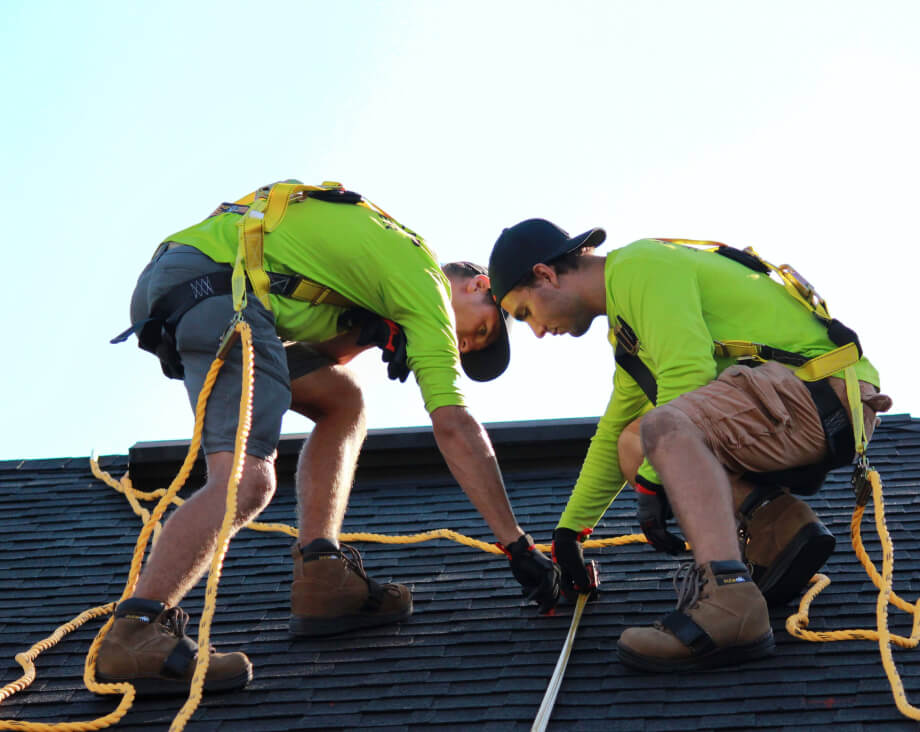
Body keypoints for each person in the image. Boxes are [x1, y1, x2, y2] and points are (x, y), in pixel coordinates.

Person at [99, 181, 559, 696]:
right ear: (477, 286)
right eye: (482, 331)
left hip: (204, 279)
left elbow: (312, 357)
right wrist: (517, 546)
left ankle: (322, 576)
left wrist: (366, 336)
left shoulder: (384, 269)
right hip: (216, 288)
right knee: (248, 482)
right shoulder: (424, 282)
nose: (465, 344)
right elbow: (454, 426)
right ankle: (135, 630)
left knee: (343, 402)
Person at [487, 218, 891, 672]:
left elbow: (688, 376)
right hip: (802, 403)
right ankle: (778, 527)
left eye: (525, 314)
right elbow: (616, 426)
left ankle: (730, 598)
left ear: (545, 274)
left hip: (820, 393)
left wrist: (655, 482)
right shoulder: (629, 326)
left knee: (660, 430)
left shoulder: (640, 266)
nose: (538, 331)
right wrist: (570, 533)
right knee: (633, 441)